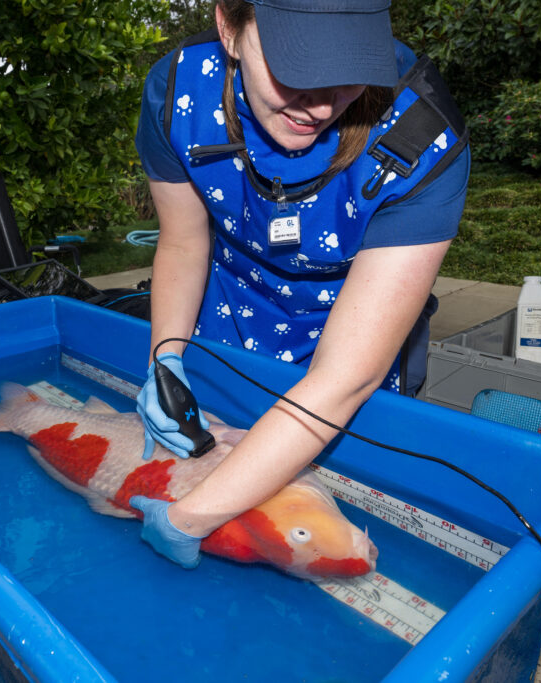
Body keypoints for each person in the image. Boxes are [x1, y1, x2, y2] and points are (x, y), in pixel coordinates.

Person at [128, 0, 470, 568]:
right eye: (297, 67)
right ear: (229, 28)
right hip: (232, 322)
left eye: (348, 72)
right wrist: (166, 358)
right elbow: (185, 242)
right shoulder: (179, 95)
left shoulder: (421, 138)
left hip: (356, 348)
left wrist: (187, 519)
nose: (319, 105)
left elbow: (345, 380)